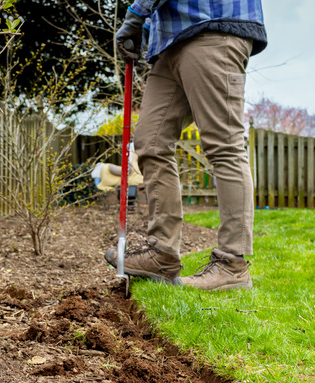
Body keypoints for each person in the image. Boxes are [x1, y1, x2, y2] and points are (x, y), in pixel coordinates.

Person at [105, 0, 267, 291]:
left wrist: (135, 15)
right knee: (150, 142)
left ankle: (233, 264)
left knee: (224, 144)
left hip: (212, 26)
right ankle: (162, 253)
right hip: (169, 41)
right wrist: (144, 26)